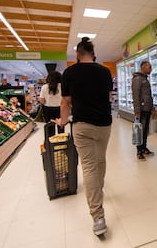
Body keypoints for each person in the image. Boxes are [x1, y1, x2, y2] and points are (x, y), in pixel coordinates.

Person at [53, 37, 113, 236]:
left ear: (78, 54)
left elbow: (65, 103)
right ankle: (99, 190)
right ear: (93, 53)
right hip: (104, 125)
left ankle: (98, 217)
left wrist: (62, 122)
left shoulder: (70, 72)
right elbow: (108, 97)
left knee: (88, 166)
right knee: (101, 159)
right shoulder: (105, 71)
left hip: (82, 125)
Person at [131, 61, 154, 160]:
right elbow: (136, 95)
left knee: (145, 130)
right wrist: (137, 110)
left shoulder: (145, 79)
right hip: (141, 109)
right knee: (139, 130)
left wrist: (152, 106)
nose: (151, 69)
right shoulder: (138, 79)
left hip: (147, 108)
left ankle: (144, 147)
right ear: (143, 67)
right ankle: (139, 151)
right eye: (149, 67)